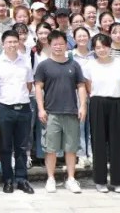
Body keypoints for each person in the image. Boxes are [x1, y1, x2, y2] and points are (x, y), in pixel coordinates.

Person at [34, 32, 87, 194]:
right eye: (55, 44)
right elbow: (38, 87)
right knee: (50, 148)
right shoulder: (44, 66)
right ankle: (50, 178)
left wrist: (82, 106)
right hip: (51, 113)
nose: (58, 47)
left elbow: (81, 86)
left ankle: (71, 178)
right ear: (49, 45)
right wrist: (41, 108)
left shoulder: (74, 65)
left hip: (71, 112)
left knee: (71, 148)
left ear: (66, 45)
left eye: (61, 44)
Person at [83, 34, 120, 192]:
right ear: (94, 49)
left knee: (117, 142)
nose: (101, 50)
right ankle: (100, 180)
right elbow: (89, 86)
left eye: (104, 46)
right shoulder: (90, 65)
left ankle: (117, 181)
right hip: (97, 103)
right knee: (99, 142)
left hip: (116, 102)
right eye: (98, 47)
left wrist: (115, 96)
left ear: (110, 46)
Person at [0, 30, 34, 194]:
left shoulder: (25, 60)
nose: (12, 45)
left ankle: (22, 179)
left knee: (22, 146)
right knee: (5, 146)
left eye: (15, 42)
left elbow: (29, 84)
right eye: (9, 42)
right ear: (3, 44)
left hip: (23, 107)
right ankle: (8, 179)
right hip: (5, 107)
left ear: (19, 42)